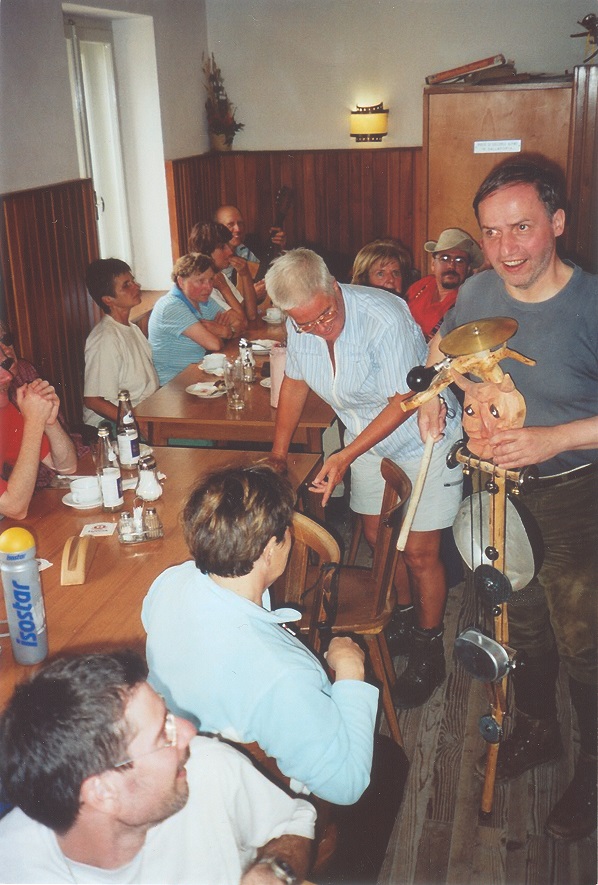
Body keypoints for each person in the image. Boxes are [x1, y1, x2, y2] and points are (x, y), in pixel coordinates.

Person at [419, 157, 598, 842]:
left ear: (556, 222)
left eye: (521, 227)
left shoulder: (589, 303)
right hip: (496, 490)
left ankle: (592, 765)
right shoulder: (480, 292)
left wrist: (552, 438)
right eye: (492, 233)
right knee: (517, 622)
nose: (505, 249)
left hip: (575, 492)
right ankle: (540, 730)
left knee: (584, 638)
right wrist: (447, 394)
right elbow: (445, 350)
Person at [265, 249, 463, 708]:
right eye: (303, 324)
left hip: (423, 437)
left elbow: (403, 399)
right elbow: (294, 381)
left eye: (324, 316)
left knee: (417, 551)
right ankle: (407, 615)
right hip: (366, 440)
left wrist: (344, 455)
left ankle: (429, 648)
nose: (317, 329)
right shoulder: (302, 322)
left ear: (334, 284)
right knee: (376, 538)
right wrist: (277, 455)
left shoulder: (383, 317)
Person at [143, 463, 380, 805]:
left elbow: (153, 621)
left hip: (170, 758)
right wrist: (351, 671)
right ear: (270, 550)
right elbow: (347, 786)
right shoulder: (284, 675)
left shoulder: (172, 581)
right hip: (234, 798)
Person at [0, 650, 315, 884]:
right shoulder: (13, 864)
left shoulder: (206, 766)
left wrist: (275, 870)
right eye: (163, 733)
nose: (189, 730)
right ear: (103, 791)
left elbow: (293, 824)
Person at [0, 335, 77, 519]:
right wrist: (34, 422)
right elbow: (15, 508)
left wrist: (49, 422)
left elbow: (67, 466)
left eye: (4, 365)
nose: (8, 376)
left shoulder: (5, 412)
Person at [83, 259, 159, 426]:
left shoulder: (132, 329)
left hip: (145, 414)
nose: (136, 286)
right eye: (126, 285)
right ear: (108, 299)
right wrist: (136, 423)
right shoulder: (105, 339)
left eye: (133, 281)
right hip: (113, 425)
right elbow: (93, 401)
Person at [148, 252, 238, 386]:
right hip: (172, 385)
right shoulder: (171, 306)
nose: (208, 287)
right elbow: (214, 344)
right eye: (200, 281)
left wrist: (226, 331)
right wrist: (224, 333)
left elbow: (239, 322)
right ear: (181, 281)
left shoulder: (202, 300)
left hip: (197, 377)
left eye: (211, 280)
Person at [405, 228, 484, 340]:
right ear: (433, 264)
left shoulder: (469, 302)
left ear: (468, 269)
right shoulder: (421, 285)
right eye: (445, 259)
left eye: (459, 261)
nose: (451, 266)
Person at [188, 220, 257, 322]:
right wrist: (224, 288)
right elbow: (242, 322)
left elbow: (251, 315)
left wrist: (245, 274)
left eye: (228, 246)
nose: (230, 252)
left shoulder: (219, 276)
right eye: (222, 247)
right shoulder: (203, 286)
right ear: (206, 252)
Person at [214, 204, 287, 300]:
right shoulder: (213, 259)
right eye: (230, 225)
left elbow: (267, 275)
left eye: (240, 223)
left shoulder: (244, 249)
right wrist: (250, 297)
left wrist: (281, 247)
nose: (238, 229)